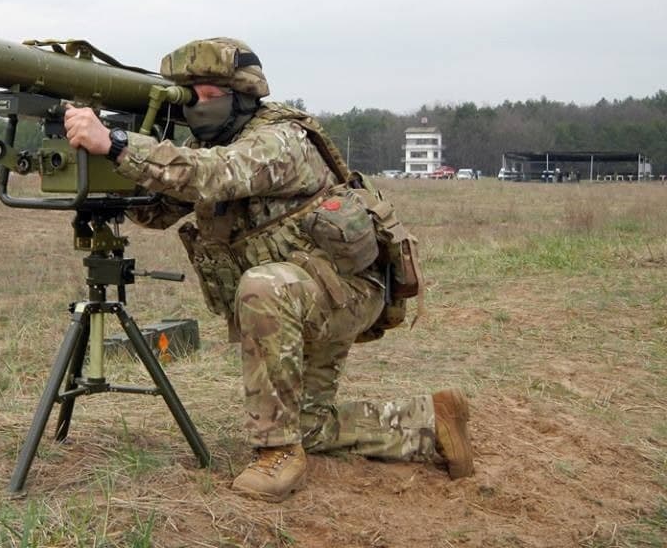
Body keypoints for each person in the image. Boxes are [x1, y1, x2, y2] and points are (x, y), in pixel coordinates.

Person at [64, 37, 473, 502]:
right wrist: (100, 170)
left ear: (242, 95)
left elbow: (215, 174)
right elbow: (157, 212)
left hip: (343, 291)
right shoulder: (209, 144)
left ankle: (276, 452)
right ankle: (433, 422)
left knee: (262, 286)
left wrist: (117, 144)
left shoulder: (279, 140)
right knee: (310, 427)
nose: (194, 105)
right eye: (186, 95)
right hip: (307, 294)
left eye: (205, 93)